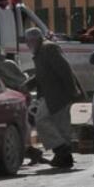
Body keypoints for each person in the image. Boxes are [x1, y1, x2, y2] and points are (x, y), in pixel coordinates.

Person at [24, 28, 84, 169]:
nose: (27, 45)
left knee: (41, 120)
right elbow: (41, 75)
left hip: (57, 94)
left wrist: (72, 91)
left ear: (34, 40)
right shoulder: (40, 51)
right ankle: (64, 158)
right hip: (53, 94)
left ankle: (61, 149)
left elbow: (65, 69)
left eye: (28, 42)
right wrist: (27, 85)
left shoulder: (48, 48)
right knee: (61, 125)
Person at [0, 43, 47, 165]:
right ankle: (32, 153)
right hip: (22, 96)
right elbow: (23, 78)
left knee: (15, 128)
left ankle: (30, 153)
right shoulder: (10, 64)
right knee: (23, 126)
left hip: (8, 98)